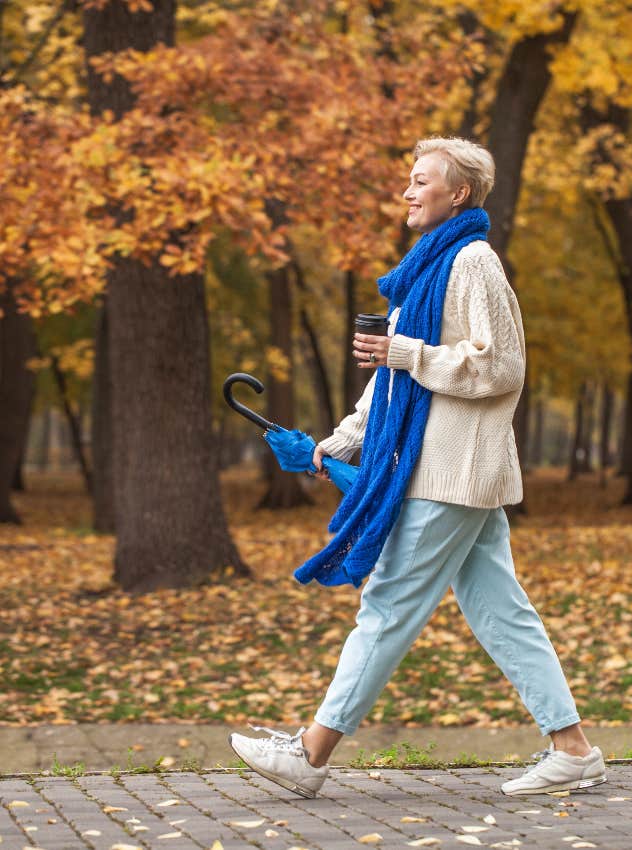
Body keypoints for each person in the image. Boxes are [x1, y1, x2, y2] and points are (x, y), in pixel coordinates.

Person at [229, 137, 606, 798]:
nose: (407, 191)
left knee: (386, 607)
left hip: (452, 473)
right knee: (500, 611)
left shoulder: (473, 262)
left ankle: (311, 755)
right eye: (408, 179)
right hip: (444, 471)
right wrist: (341, 440)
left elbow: (501, 367)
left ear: (458, 194)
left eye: (421, 180)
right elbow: (390, 384)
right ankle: (572, 749)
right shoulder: (425, 269)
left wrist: (405, 352)